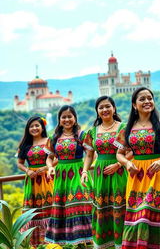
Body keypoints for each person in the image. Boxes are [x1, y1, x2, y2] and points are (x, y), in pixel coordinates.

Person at [115, 87, 160, 249]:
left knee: (148, 214)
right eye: (142, 99)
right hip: (137, 176)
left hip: (159, 174)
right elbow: (119, 154)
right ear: (134, 105)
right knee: (138, 217)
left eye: (149, 98)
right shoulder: (126, 128)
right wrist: (128, 163)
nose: (147, 102)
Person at [81, 96, 128, 249]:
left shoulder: (124, 127)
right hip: (100, 174)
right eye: (101, 107)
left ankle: (122, 244)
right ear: (97, 111)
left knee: (120, 206)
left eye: (108, 106)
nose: (104, 110)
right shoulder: (92, 131)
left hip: (119, 172)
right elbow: (89, 155)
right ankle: (103, 244)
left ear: (114, 108)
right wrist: (85, 171)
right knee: (102, 207)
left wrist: (118, 165)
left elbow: (132, 152)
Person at [44, 105, 92, 245]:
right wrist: (50, 168)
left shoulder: (82, 135)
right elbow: (49, 157)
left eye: (69, 116)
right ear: (59, 120)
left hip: (78, 173)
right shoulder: (54, 137)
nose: (67, 119)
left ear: (75, 118)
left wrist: (84, 171)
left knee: (79, 204)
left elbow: (90, 154)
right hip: (61, 176)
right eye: (63, 117)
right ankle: (69, 244)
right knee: (63, 207)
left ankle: (86, 241)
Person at [17, 116, 53, 247]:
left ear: (42, 127)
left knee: (50, 208)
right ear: (28, 129)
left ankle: (51, 241)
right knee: (33, 212)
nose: (34, 128)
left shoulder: (49, 141)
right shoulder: (25, 145)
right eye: (31, 126)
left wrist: (45, 167)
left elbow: (56, 159)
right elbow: (19, 163)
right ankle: (34, 243)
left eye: (37, 125)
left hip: (47, 179)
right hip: (32, 181)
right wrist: (27, 171)